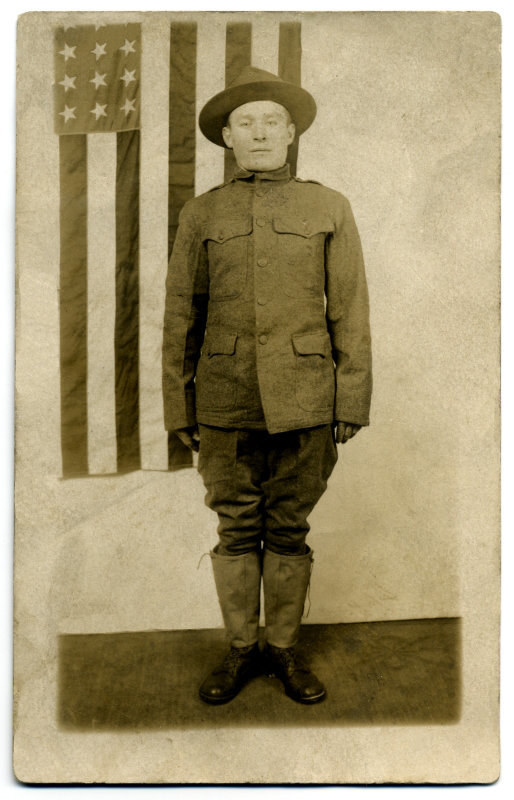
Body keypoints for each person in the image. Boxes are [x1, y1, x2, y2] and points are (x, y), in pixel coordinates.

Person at [162, 66, 372, 705]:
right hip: (224, 397)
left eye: (270, 122)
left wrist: (351, 396)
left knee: (289, 528)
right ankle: (239, 650)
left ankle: (282, 651)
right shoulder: (203, 213)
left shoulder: (327, 205)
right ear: (227, 137)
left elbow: (351, 309)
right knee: (234, 527)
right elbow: (180, 314)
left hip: (307, 397)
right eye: (245, 123)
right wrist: (180, 400)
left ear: (291, 133)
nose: (259, 133)